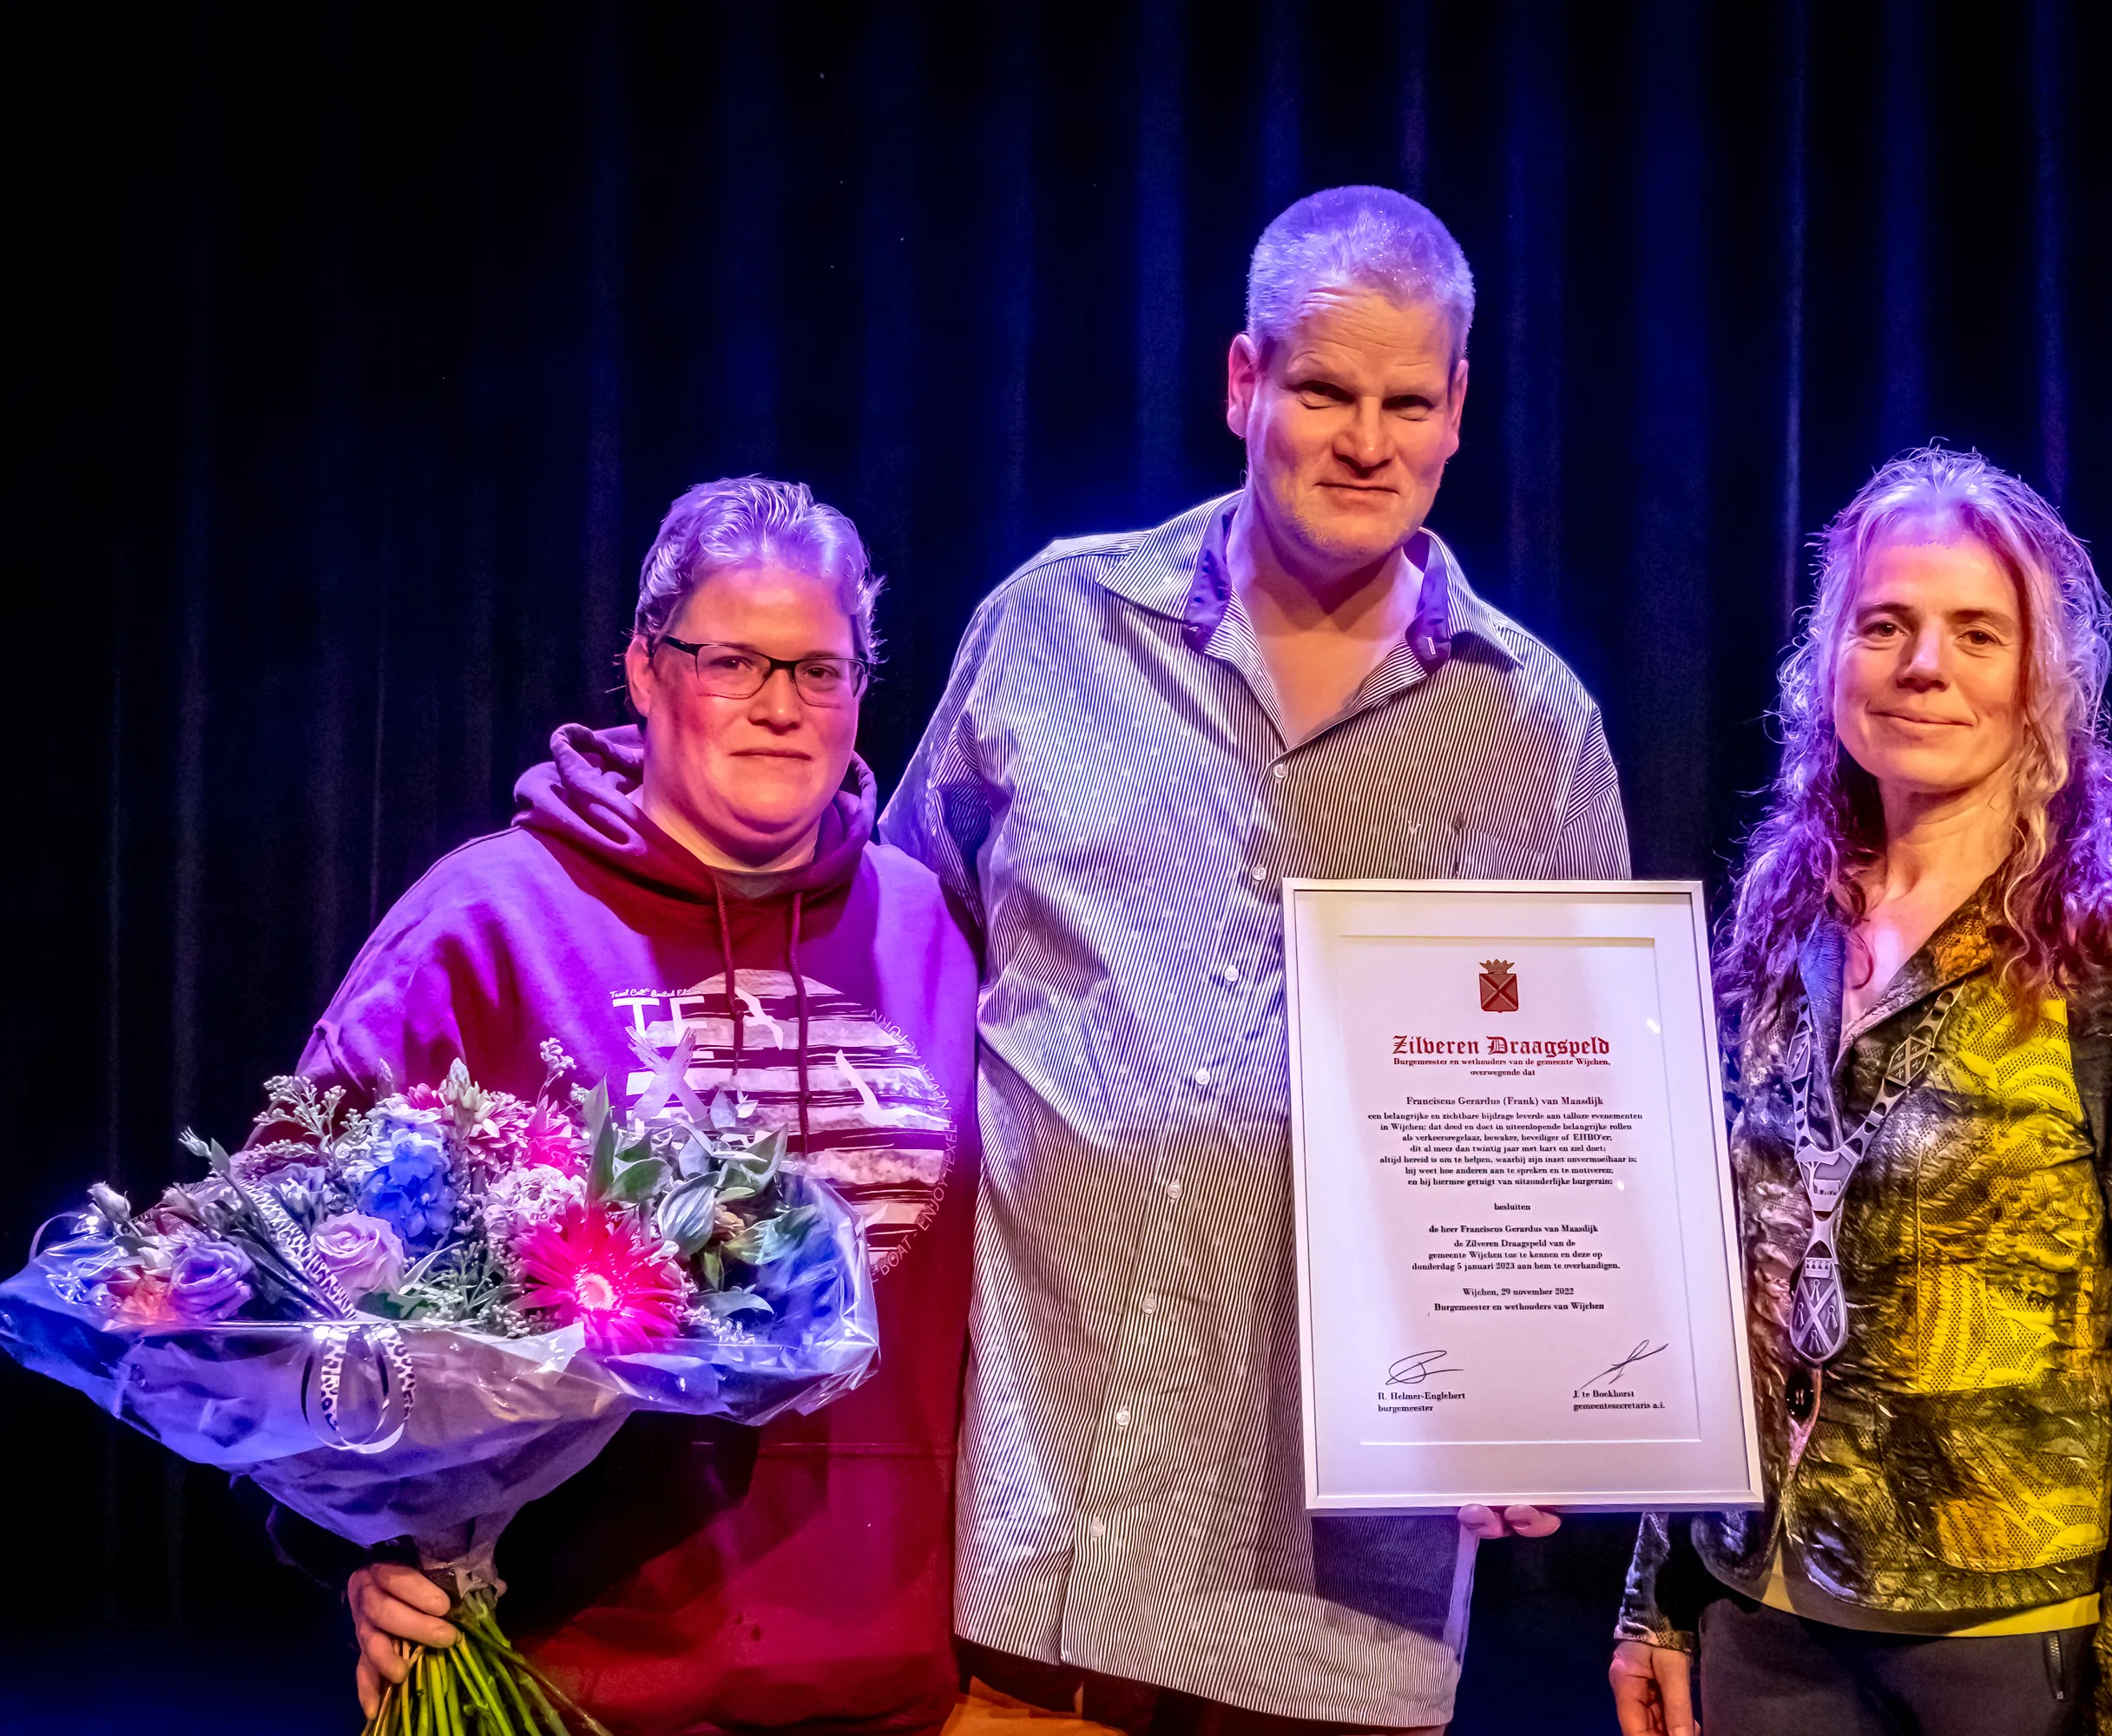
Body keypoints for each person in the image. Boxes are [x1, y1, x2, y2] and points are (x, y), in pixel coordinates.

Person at [881, 185, 1629, 1736]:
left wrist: (1540, 1390)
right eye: (1323, 392)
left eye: (1405, 403)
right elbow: (901, 971)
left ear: (1457, 410)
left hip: (1330, 1607)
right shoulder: (1052, 629)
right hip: (1021, 1553)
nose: (1365, 442)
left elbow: (1575, 1133)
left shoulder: (1535, 727)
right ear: (1243, 383)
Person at [316, 477, 984, 1734]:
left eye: (821, 669)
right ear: (642, 665)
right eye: (732, 661)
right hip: (555, 1680)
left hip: (892, 1686)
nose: (781, 706)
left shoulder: (934, 928)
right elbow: (285, 1264)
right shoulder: (489, 922)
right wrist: (355, 1554)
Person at [1608, 448, 2112, 1736]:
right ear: (1828, 658)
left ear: (2042, 675)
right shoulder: (1785, 909)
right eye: (1884, 624)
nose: (1923, 665)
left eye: (1976, 632)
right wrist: (1658, 1597)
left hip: (2004, 1642)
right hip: (1759, 1617)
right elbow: (1726, 1281)